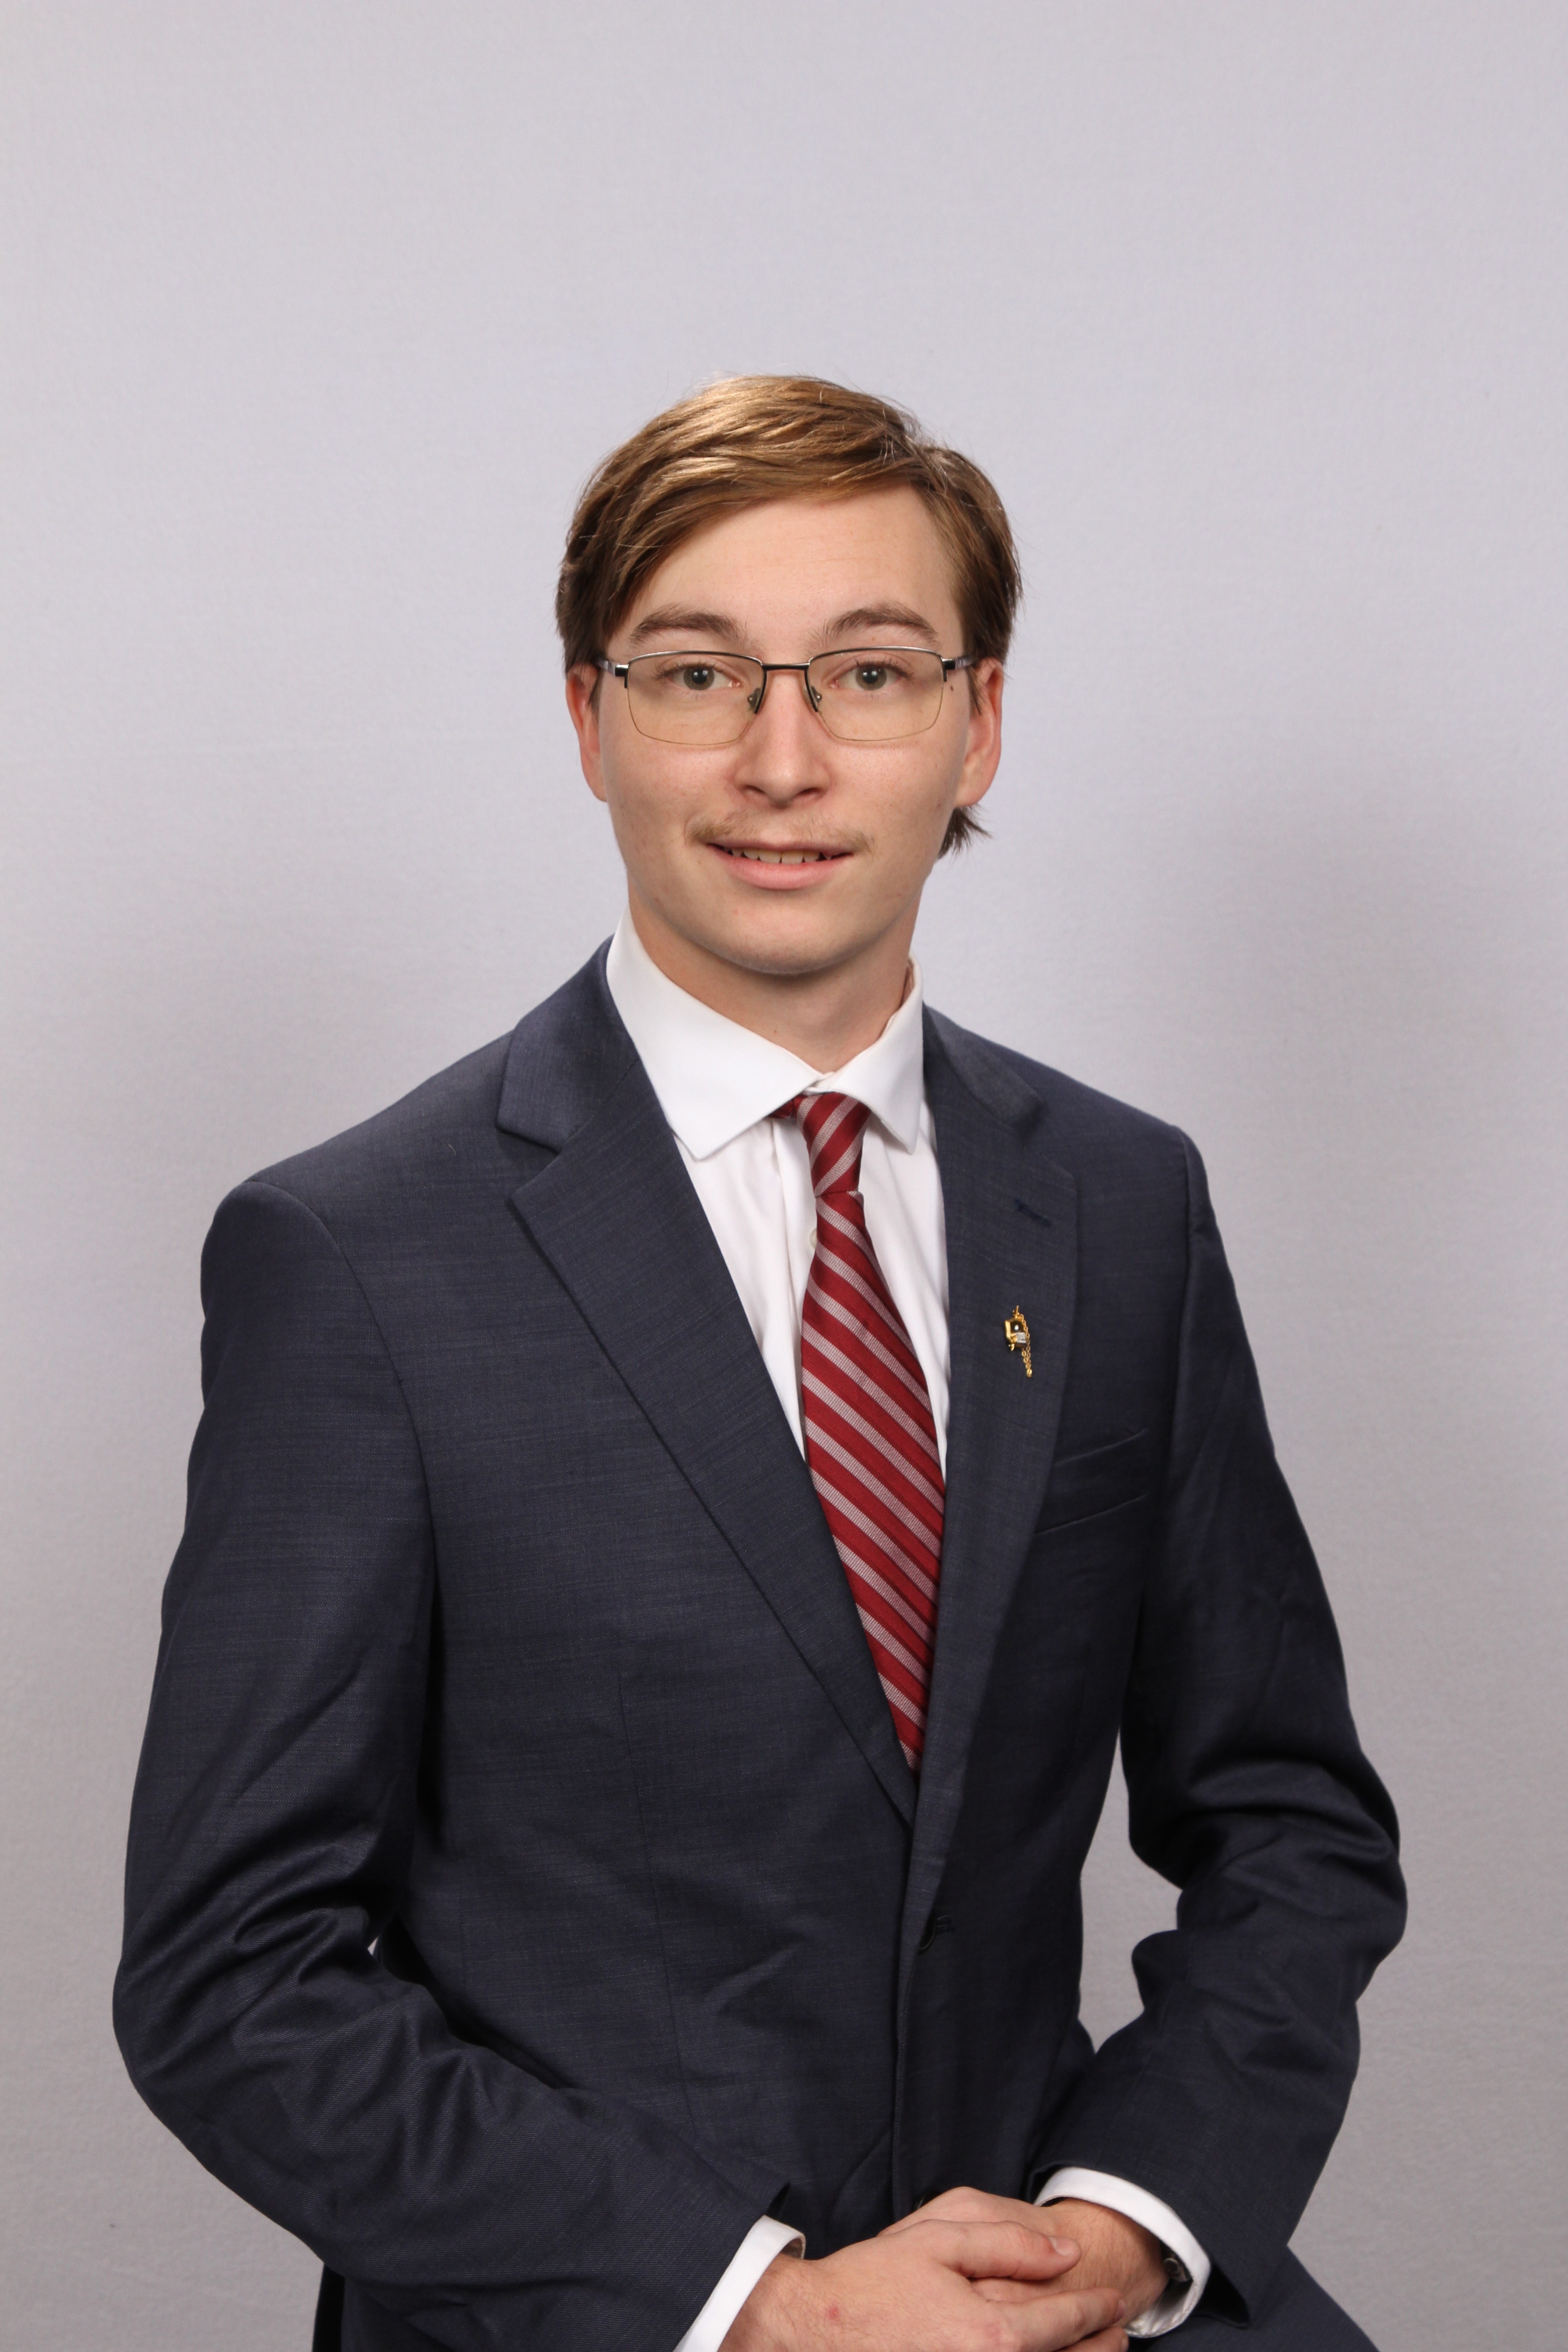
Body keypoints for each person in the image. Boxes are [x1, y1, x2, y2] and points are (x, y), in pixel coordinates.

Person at [115, 376, 1404, 2352]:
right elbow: (231, 1976)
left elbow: (1291, 1822)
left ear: (978, 723)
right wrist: (763, 2309)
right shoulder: (359, 1255)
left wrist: (1130, 2223)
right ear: (589, 720)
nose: (781, 760)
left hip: (1052, 2287)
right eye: (699, 675)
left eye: (869, 674)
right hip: (614, 2313)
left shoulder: (1123, 1203)